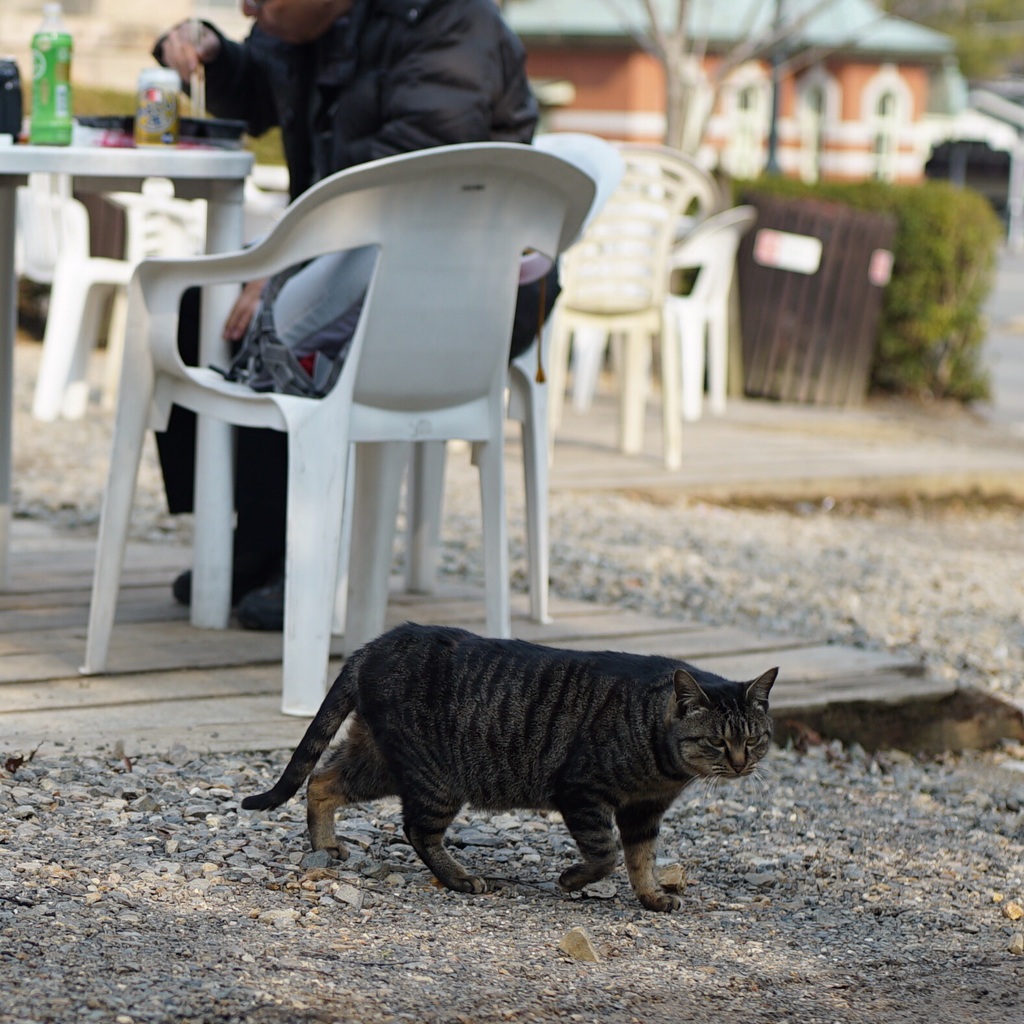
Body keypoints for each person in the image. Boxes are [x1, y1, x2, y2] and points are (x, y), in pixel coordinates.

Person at [152, 0, 545, 630]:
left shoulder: (452, 24)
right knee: (203, 308)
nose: (249, 6)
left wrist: (282, 265)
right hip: (353, 254)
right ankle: (253, 540)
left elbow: (406, 177)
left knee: (264, 314)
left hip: (462, 288)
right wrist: (216, 54)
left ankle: (307, 558)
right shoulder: (314, 25)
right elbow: (256, 95)